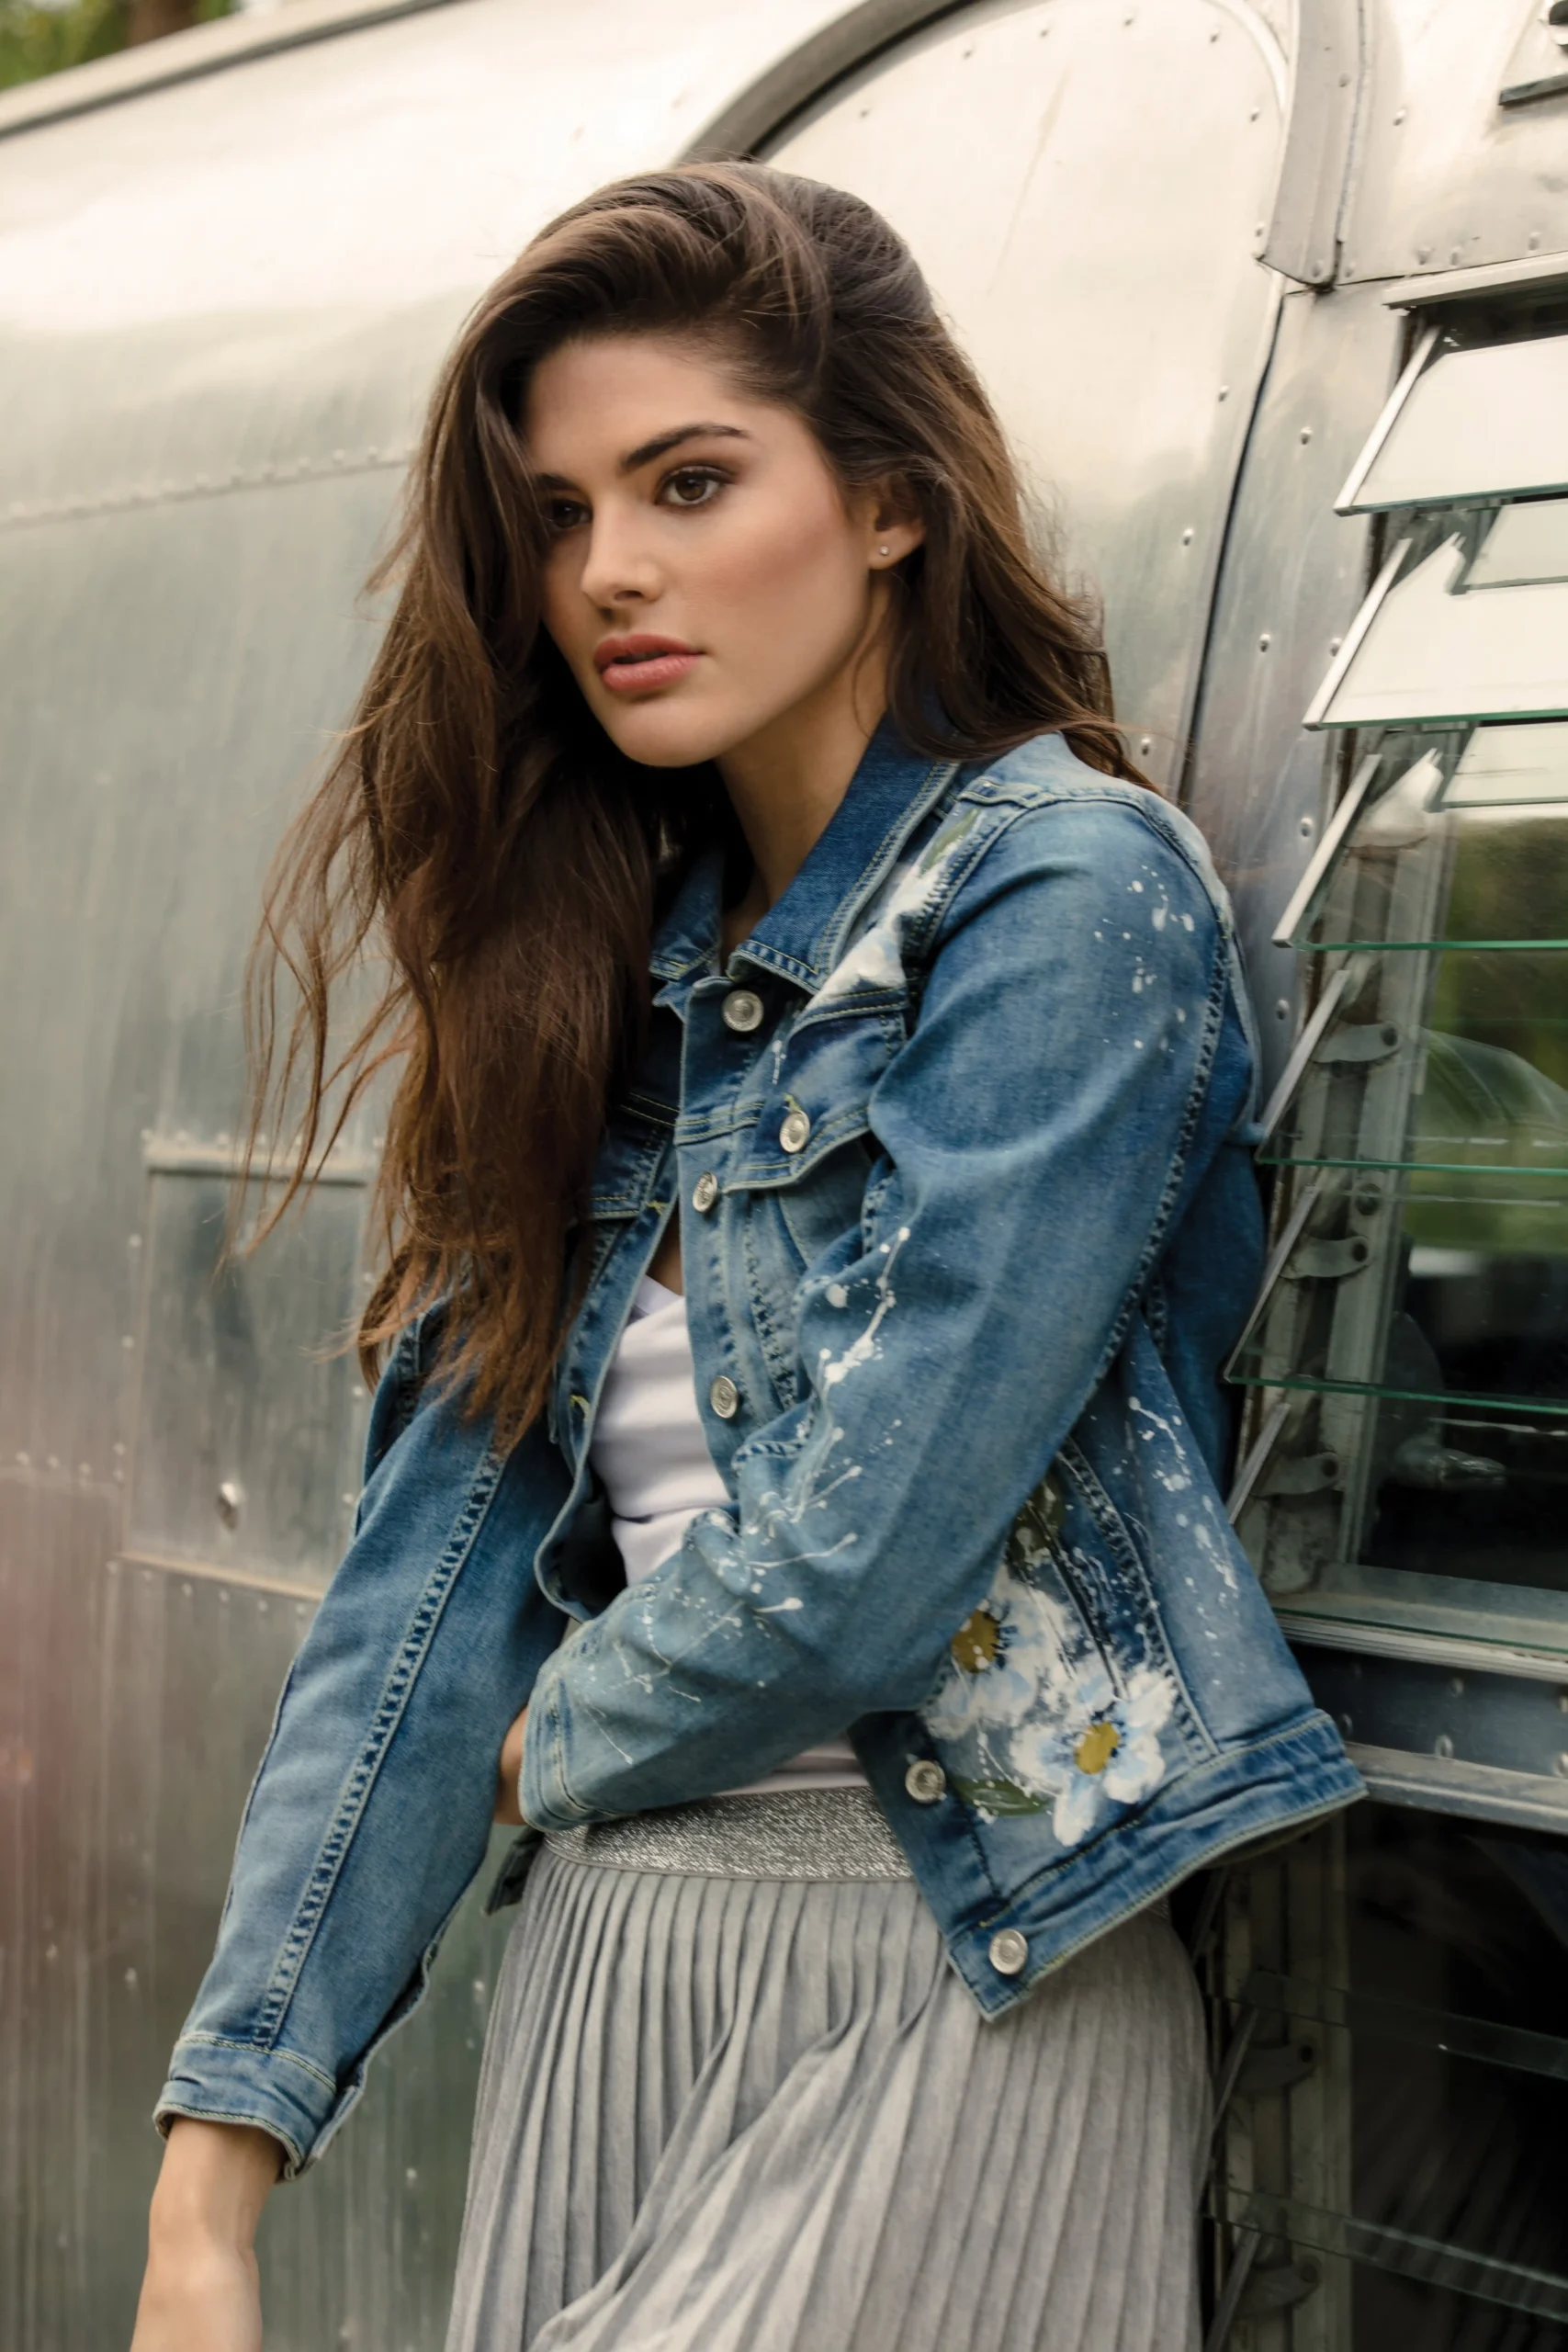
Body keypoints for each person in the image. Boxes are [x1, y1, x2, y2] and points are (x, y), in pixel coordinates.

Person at [130, 162, 1361, 2352]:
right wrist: (213, 2173)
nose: (612, 571)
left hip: (958, 1956)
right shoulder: (599, 1001)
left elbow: (879, 1541)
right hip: (612, 1979)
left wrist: (557, 1729)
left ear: (888, 498)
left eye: (690, 481)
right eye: (561, 512)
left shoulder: (1067, 897)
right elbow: (419, 1599)